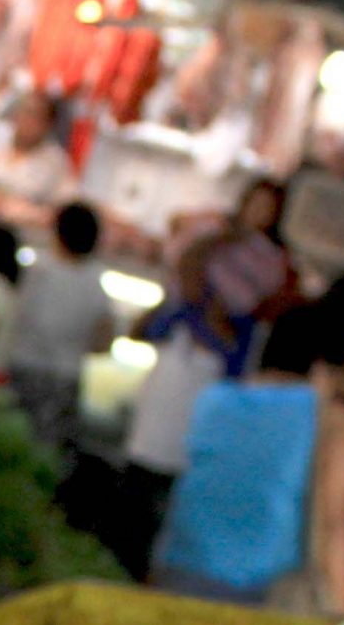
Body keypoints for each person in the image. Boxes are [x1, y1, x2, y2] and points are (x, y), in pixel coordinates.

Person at [113, 179, 297, 574]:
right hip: (173, 371)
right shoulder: (209, 241)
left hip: (210, 381)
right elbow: (184, 277)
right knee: (141, 477)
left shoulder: (269, 265)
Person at [151, 301, 344, 617]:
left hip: (179, 571)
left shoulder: (214, 398)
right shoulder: (329, 418)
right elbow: (334, 525)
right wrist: (339, 614)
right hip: (262, 592)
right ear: (326, 366)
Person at [6, 202, 112, 452]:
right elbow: (104, 343)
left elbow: (17, 317)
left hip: (25, 368)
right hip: (67, 378)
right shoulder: (96, 281)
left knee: (9, 447)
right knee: (46, 454)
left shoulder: (39, 270)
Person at [0, 91, 78, 224]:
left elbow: (65, 209)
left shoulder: (56, 162)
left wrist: (27, 211)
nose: (28, 121)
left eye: (36, 116)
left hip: (21, 231)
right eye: (25, 112)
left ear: (48, 124)